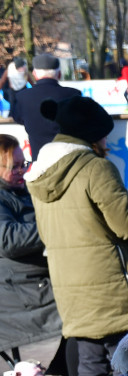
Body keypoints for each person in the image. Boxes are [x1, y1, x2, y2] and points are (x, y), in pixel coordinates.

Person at [24, 95, 128, 376]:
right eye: (103, 135)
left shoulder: (41, 174)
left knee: (90, 360)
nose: (106, 141)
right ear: (91, 134)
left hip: (70, 285)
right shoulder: (95, 168)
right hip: (109, 284)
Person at [0, 134, 61, 360]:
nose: (21, 171)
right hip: (18, 289)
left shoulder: (19, 191)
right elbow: (7, 239)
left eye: (22, 164)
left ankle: (66, 374)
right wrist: (54, 226)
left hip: (32, 281)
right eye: (12, 166)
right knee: (81, 308)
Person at [10, 54, 81, 160]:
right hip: (70, 163)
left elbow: (18, 118)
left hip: (40, 164)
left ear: (34, 74)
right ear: (59, 74)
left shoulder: (22, 97)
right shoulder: (73, 94)